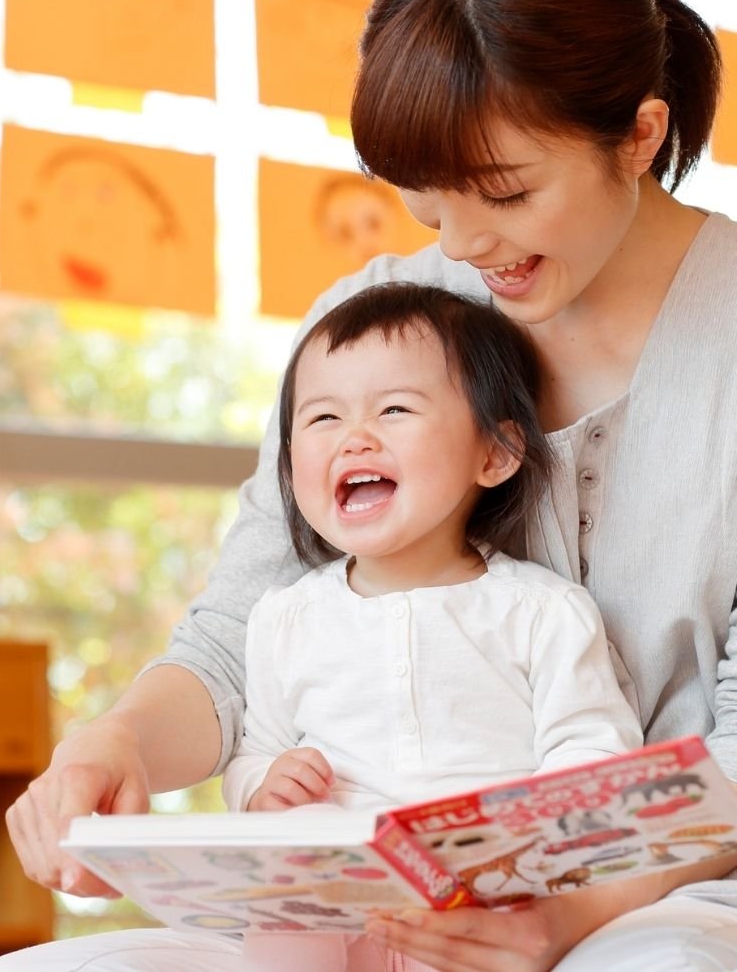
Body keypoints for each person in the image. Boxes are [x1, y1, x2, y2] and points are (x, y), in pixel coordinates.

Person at [0, 0, 737, 970]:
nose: (463, 244)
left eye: (502, 191)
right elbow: (237, 638)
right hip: (394, 891)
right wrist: (115, 741)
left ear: (640, 134)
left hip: (721, 875)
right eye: (425, 200)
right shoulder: (377, 318)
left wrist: (564, 917)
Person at [222, 281, 642, 971]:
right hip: (338, 898)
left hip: (482, 894)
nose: (355, 436)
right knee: (290, 880)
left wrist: (519, 829)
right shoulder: (287, 617)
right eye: (323, 419)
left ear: (495, 454)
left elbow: (594, 755)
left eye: (394, 410)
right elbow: (253, 751)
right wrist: (266, 785)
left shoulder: (540, 612)